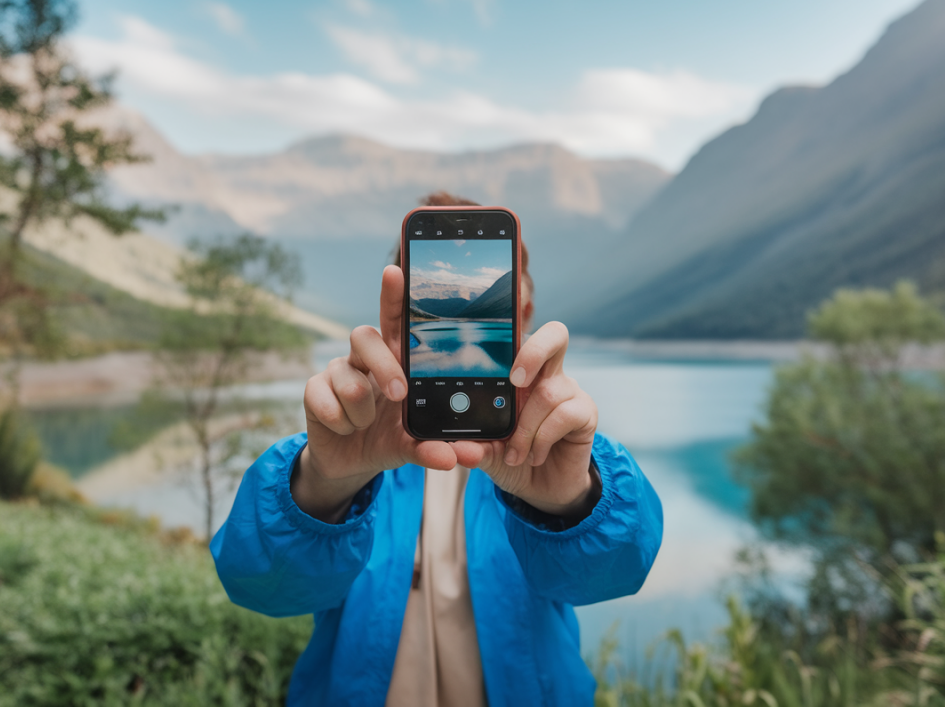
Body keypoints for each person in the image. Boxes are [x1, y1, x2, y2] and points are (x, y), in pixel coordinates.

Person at [211, 193, 664, 706]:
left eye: (496, 301)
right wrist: (325, 484)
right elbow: (259, 586)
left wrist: (571, 502)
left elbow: (619, 574)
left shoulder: (555, 446)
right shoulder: (347, 439)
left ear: (524, 311)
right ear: (399, 314)